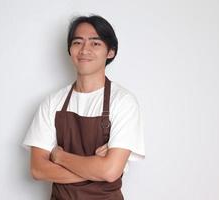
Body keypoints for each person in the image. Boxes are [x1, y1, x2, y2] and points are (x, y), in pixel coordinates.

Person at [22, 15, 145, 200]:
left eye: (95, 44)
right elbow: (38, 170)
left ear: (110, 52)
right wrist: (97, 169)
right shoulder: (52, 102)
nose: (85, 50)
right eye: (77, 42)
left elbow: (110, 172)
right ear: (70, 50)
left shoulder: (123, 101)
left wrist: (59, 157)